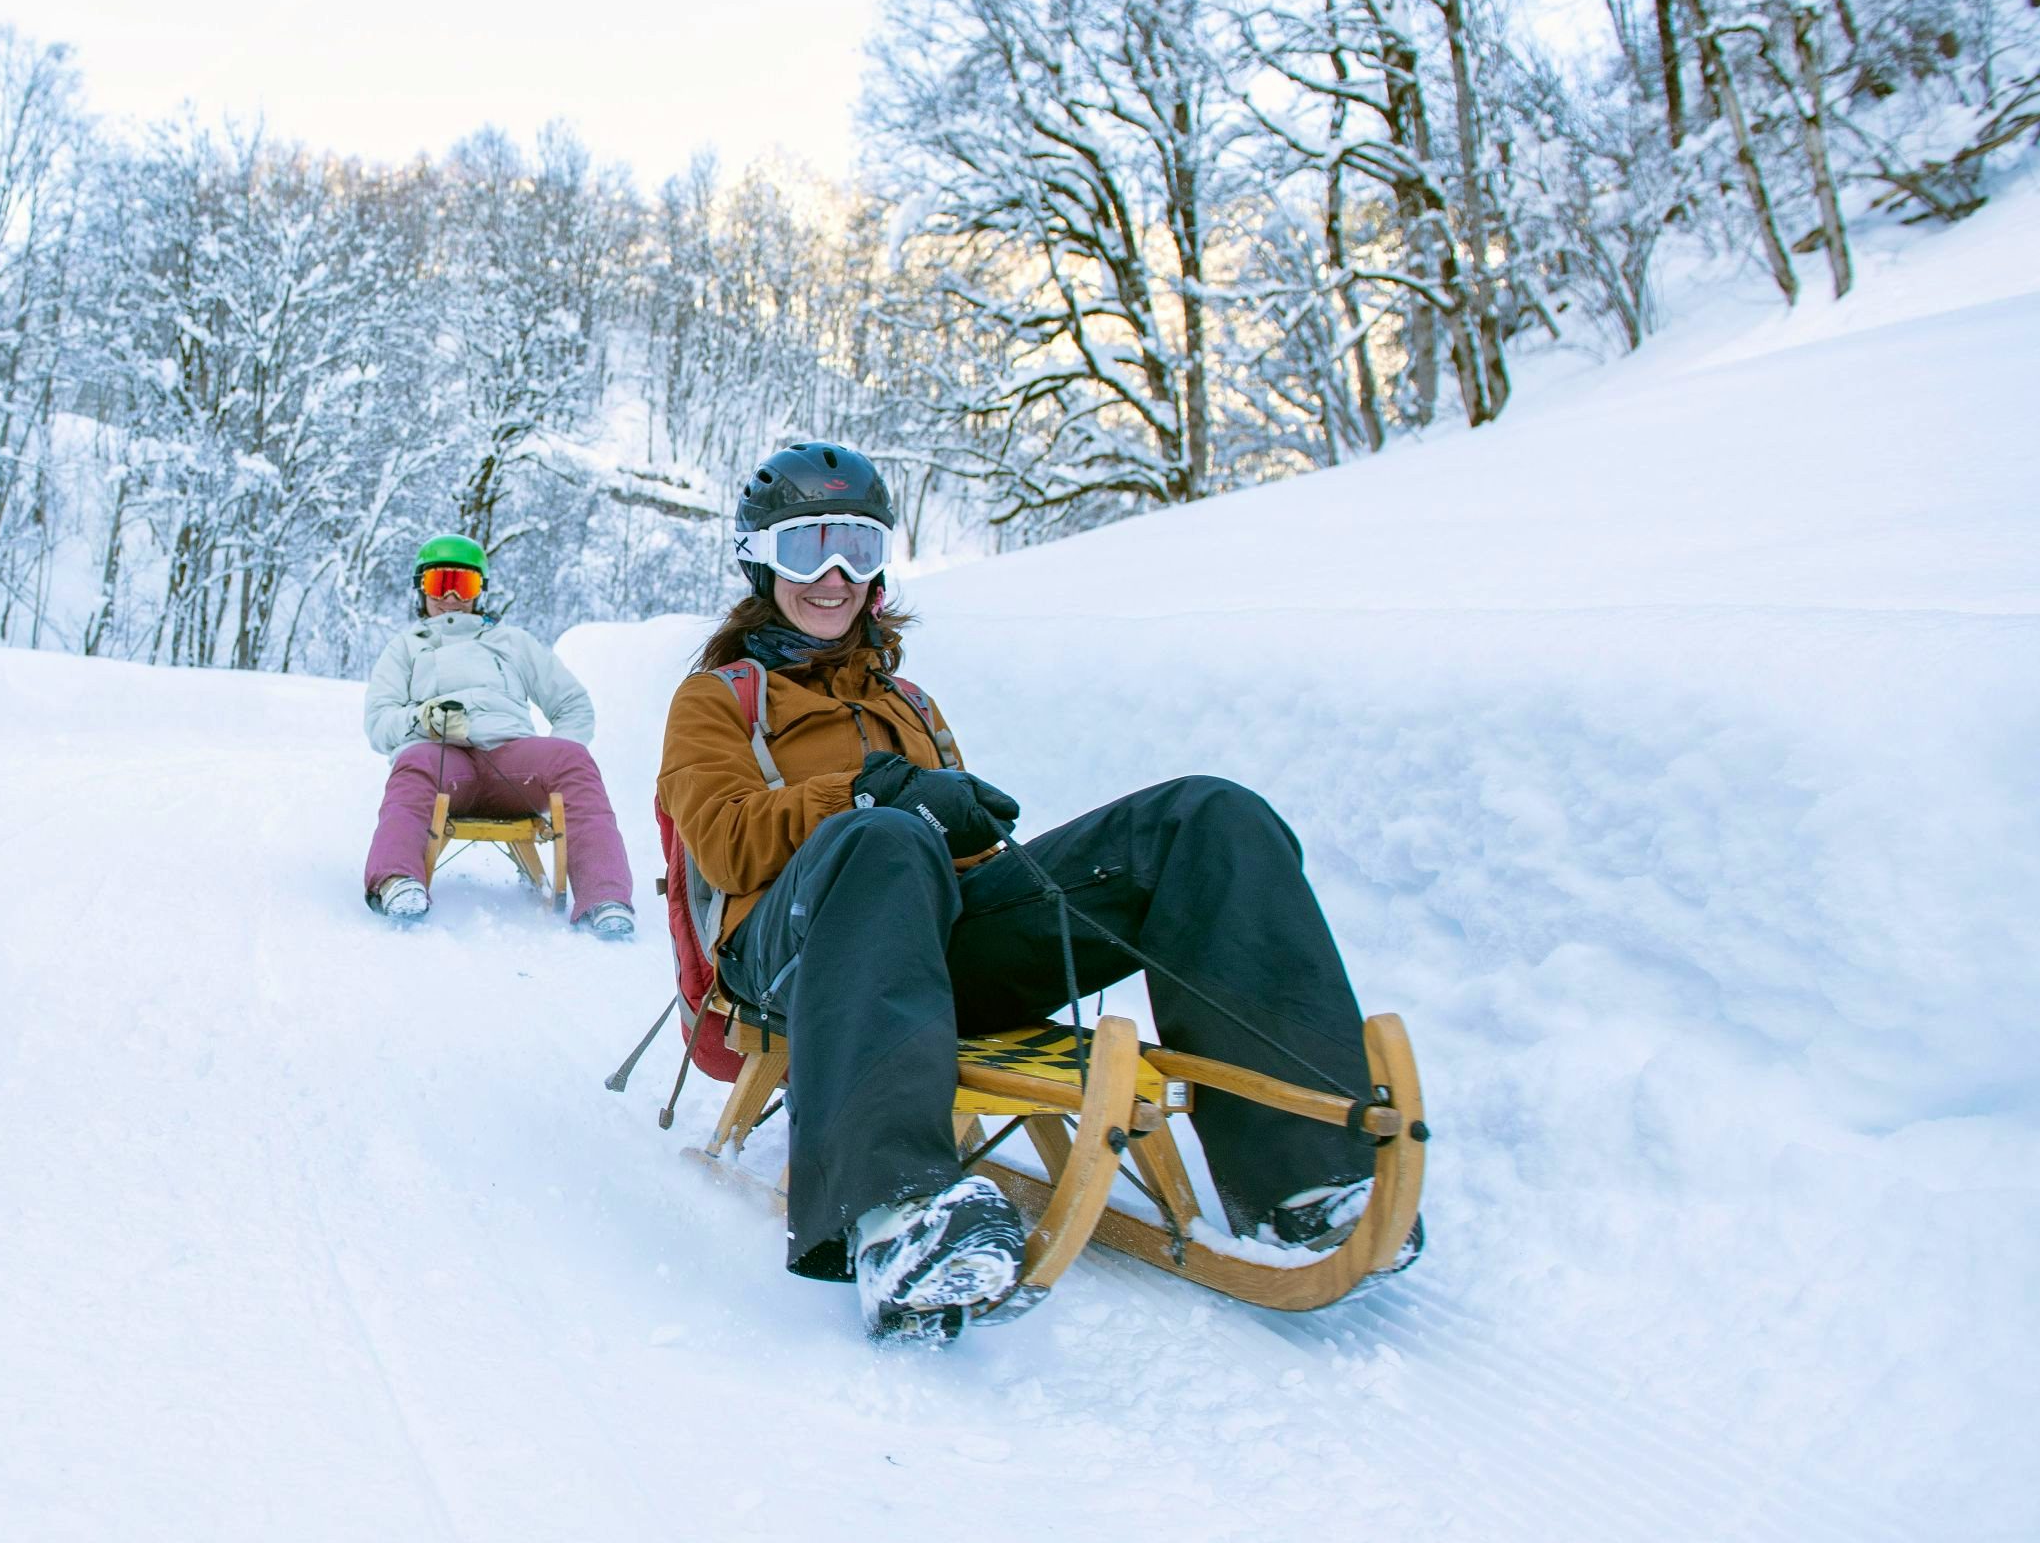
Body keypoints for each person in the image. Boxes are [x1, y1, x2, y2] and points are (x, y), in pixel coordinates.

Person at [656, 442, 1420, 1341]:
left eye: (856, 550)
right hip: (794, 955)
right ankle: (897, 1214)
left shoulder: (911, 702)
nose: (832, 576)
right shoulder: (717, 699)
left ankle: (1304, 1177)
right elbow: (729, 845)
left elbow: (937, 862)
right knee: (884, 837)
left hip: (924, 943)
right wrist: (868, 796)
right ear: (760, 561)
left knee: (1205, 817)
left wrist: (966, 834)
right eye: (805, 549)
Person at [361, 534, 638, 937]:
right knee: (412, 762)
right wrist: (424, 718)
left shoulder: (512, 642)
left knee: (574, 761)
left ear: (481, 591)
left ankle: (605, 896)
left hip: (514, 765)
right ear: (422, 589)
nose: (452, 596)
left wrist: (557, 760)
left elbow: (572, 704)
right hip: (443, 763)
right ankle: (395, 879)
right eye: (441, 583)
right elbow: (378, 723)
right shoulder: (405, 649)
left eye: (466, 584)